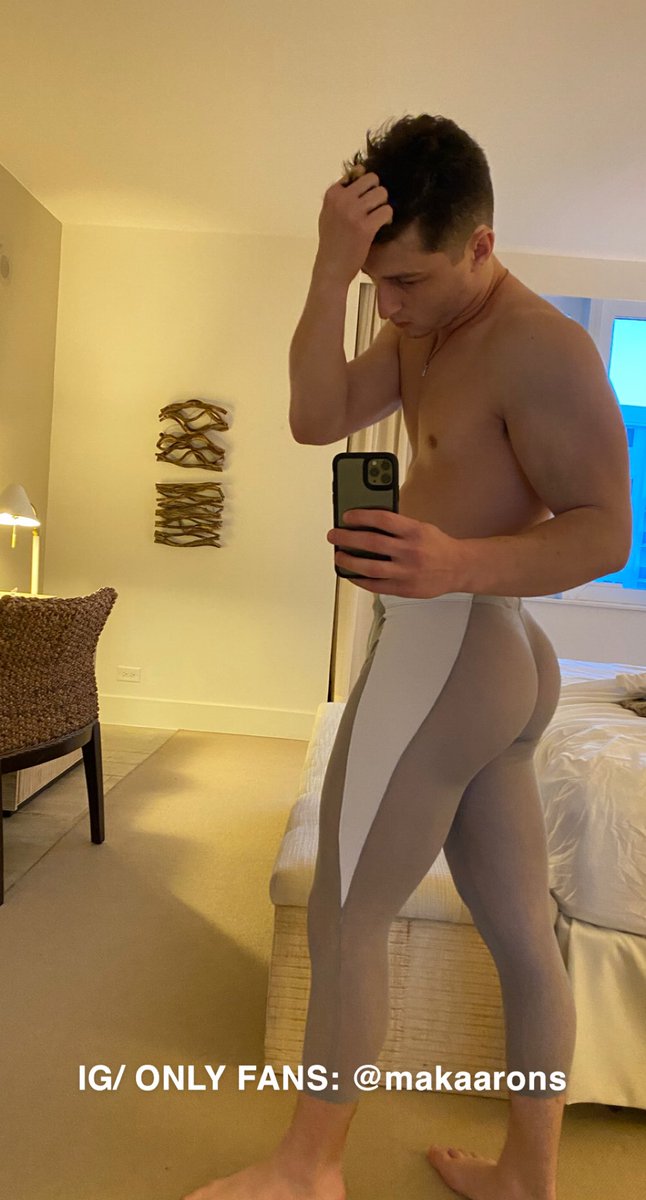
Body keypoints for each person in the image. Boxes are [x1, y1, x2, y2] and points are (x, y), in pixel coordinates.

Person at [183, 114, 632, 1200]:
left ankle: (308, 1169)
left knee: (346, 914)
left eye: (409, 281)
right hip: (487, 662)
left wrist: (454, 560)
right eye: (375, 283)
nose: (389, 306)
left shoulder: (541, 347)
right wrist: (327, 269)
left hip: (454, 651)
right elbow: (314, 417)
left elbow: (607, 533)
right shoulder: (421, 326)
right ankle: (529, 1178)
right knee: (521, 934)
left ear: (481, 244)